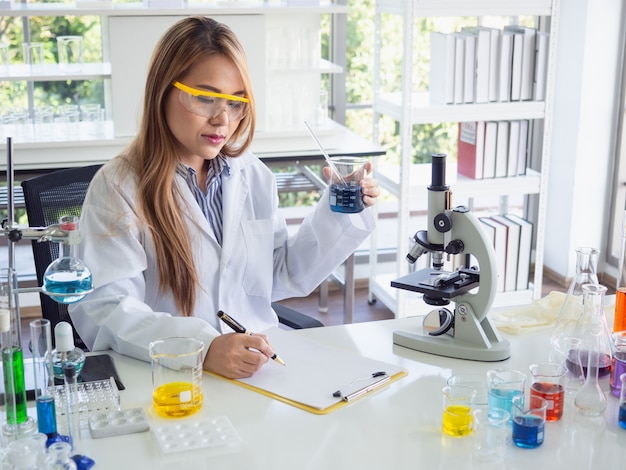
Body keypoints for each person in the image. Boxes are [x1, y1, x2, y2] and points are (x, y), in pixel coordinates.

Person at [69, 16, 380, 379]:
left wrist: (339, 210)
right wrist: (201, 348)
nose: (222, 119)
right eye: (205, 97)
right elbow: (106, 308)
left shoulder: (253, 176)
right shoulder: (118, 186)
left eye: (235, 103)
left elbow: (280, 274)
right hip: (170, 374)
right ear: (162, 91)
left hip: (260, 369)